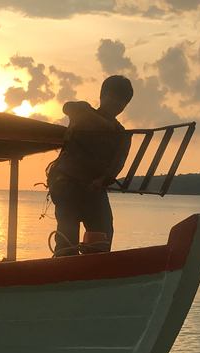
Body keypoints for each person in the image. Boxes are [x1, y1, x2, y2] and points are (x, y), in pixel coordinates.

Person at [47, 75, 133, 256]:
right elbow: (67, 107)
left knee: (102, 240)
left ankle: (93, 274)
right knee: (66, 242)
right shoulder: (82, 111)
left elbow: (117, 164)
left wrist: (102, 181)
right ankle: (61, 274)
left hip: (94, 188)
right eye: (113, 98)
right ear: (102, 95)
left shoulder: (122, 134)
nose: (116, 104)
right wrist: (106, 126)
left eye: (122, 102)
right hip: (67, 185)